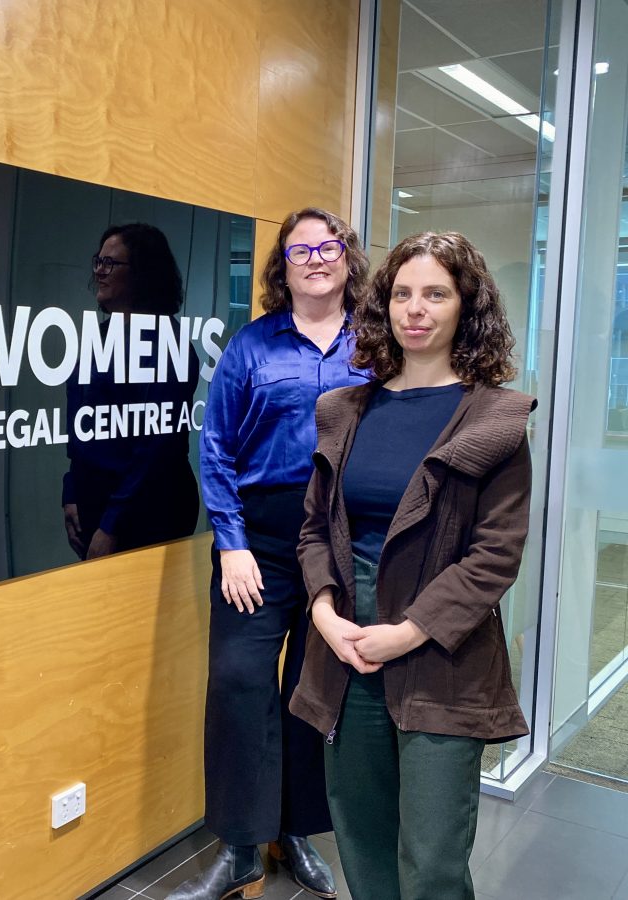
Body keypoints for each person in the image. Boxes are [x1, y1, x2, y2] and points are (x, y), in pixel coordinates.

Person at [291, 231, 531, 900]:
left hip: (440, 659)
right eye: (401, 293)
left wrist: (409, 631)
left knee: (430, 866)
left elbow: (494, 557)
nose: (415, 309)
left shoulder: (496, 421)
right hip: (345, 653)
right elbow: (314, 528)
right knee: (363, 849)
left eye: (435, 293)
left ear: (466, 306)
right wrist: (325, 615)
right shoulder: (343, 410)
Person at [171, 208, 371, 900]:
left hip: (339, 539)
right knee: (238, 683)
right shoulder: (251, 348)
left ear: (348, 257)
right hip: (256, 540)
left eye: (328, 246)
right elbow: (217, 448)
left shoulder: (374, 347)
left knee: (310, 694)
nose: (315, 258)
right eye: (299, 251)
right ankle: (239, 847)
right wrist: (230, 544)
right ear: (281, 269)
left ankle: (297, 835)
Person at [62, 223, 200, 560]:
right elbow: (80, 423)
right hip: (97, 504)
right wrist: (70, 493)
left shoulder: (169, 345)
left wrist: (112, 525)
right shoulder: (99, 336)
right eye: (98, 261)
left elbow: (156, 446)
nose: (99, 272)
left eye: (110, 263)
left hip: (147, 510)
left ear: (142, 274)